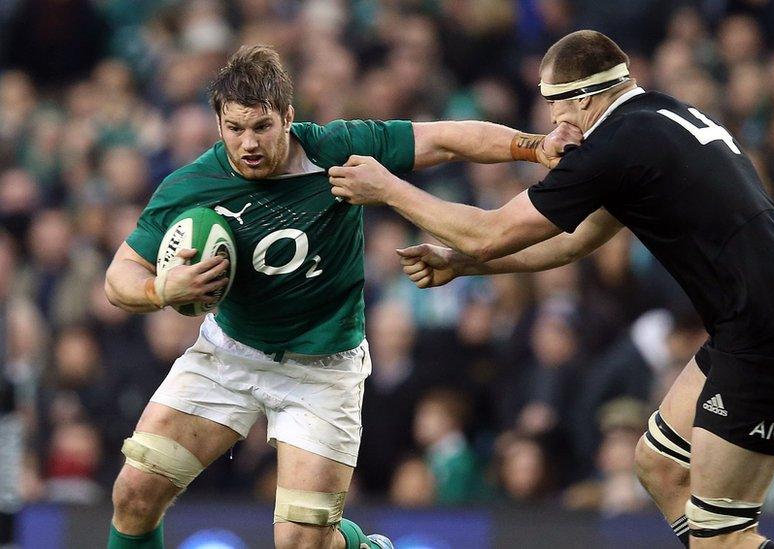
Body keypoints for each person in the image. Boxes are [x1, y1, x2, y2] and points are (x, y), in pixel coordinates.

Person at [328, 30, 774, 549]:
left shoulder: (613, 145)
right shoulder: (656, 117)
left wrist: (387, 189)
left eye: (556, 106)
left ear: (585, 98)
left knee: (722, 535)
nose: (554, 124)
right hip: (762, 318)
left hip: (770, 329)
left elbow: (489, 231)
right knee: (659, 465)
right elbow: (575, 242)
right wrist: (464, 266)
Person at [103, 45, 578, 549]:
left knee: (301, 544)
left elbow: (444, 140)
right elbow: (119, 276)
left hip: (322, 370)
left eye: (262, 127)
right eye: (234, 128)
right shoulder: (192, 185)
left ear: (288, 117)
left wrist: (535, 146)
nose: (248, 143)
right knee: (134, 493)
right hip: (228, 354)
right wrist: (160, 289)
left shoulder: (335, 149)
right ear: (217, 123)